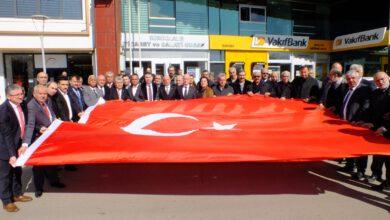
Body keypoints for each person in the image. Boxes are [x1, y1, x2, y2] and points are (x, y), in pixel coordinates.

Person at [20, 85, 65, 198]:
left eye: (45, 93)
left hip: (50, 137)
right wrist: (26, 143)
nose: (43, 95)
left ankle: (54, 181)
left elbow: (51, 115)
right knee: (38, 166)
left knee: (51, 162)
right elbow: (30, 124)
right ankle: (38, 188)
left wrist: (55, 121)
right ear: (34, 94)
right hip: (38, 139)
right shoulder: (31, 106)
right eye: (40, 93)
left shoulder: (48, 101)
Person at [0, 85, 32, 212]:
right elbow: (6, 135)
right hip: (5, 148)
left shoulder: (22, 104)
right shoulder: (3, 111)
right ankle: (7, 201)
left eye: (22, 93)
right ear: (8, 96)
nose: (21, 96)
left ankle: (17, 194)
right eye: (17, 95)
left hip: (18, 145)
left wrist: (23, 144)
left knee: (17, 171)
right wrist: (12, 155)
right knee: (5, 175)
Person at [339, 69, 372, 180]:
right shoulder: (348, 89)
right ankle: (349, 165)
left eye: (353, 78)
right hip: (346, 124)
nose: (350, 80)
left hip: (357, 124)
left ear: (358, 78)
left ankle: (361, 171)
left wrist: (359, 120)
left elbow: (366, 106)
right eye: (348, 79)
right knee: (349, 147)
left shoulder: (363, 89)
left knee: (361, 150)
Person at [362, 72, 389, 183]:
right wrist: (370, 123)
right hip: (377, 129)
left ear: (388, 78)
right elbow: (372, 111)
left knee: (388, 159)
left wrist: (386, 127)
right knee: (377, 155)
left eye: (382, 79)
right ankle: (375, 174)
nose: (380, 82)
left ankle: (388, 182)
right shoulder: (375, 93)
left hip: (387, 129)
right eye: (377, 81)